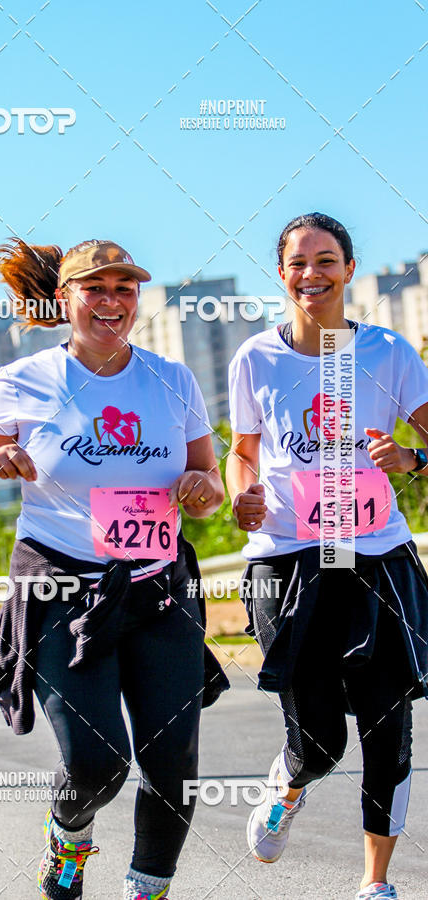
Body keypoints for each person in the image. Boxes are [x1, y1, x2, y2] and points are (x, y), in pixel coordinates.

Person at [0, 239, 229, 900]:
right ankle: (68, 836)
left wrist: (201, 487)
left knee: (173, 765)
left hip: (159, 587)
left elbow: (210, 481)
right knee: (97, 763)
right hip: (61, 586)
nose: (111, 302)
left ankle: (147, 891)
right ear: (65, 299)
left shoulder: (172, 379)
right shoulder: (25, 380)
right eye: (95, 289)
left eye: (124, 289)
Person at [226, 212, 428, 900]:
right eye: (298, 262)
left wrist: (413, 456)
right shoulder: (256, 357)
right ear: (281, 273)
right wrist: (242, 494)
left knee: (387, 725)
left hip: (375, 554)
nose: (311, 274)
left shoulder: (388, 352)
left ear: (348, 268)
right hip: (288, 560)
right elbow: (242, 452)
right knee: (318, 739)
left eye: (326, 260)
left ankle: (375, 884)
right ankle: (291, 781)